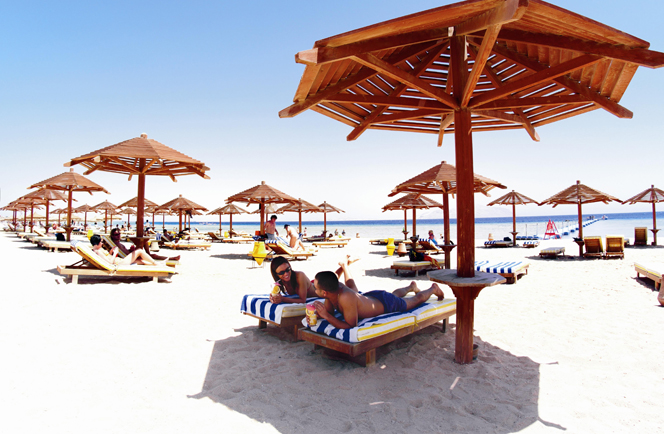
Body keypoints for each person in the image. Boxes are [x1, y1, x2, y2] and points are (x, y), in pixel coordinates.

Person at [310, 260, 445, 328]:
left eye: (315, 287)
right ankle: (411, 287)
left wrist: (326, 316)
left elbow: (351, 325)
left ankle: (433, 289)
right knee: (393, 295)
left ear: (324, 292)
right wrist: (319, 313)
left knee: (415, 300)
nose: (313, 288)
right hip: (374, 297)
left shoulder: (345, 297)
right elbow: (330, 313)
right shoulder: (331, 292)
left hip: (386, 304)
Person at [109, 228, 179, 262]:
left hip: (131, 255)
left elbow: (125, 252)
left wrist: (130, 250)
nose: (118, 235)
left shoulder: (118, 243)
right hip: (130, 258)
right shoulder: (116, 245)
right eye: (116, 234)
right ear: (112, 236)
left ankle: (149, 254)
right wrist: (132, 251)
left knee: (145, 242)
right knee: (153, 255)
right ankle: (171, 258)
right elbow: (124, 255)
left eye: (119, 234)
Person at [90, 234, 158, 266]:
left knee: (141, 261)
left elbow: (107, 257)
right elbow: (110, 263)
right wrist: (115, 253)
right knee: (139, 251)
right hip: (119, 263)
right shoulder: (98, 251)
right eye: (101, 242)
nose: (102, 243)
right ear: (96, 243)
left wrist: (111, 252)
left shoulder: (97, 249)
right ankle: (155, 263)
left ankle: (156, 265)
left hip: (120, 261)